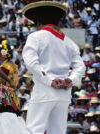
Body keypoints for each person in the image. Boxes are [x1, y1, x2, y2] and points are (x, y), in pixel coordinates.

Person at [22, 1, 86, 134]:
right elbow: (80, 67)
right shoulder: (70, 43)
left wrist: (50, 80)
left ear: (38, 21)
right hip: (63, 94)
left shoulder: (35, 37)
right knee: (58, 131)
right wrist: (71, 79)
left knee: (34, 130)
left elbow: (31, 63)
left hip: (43, 92)